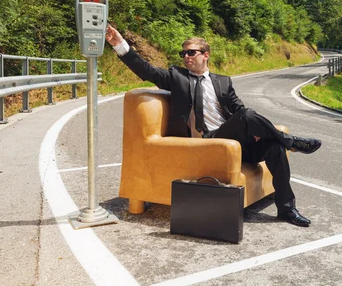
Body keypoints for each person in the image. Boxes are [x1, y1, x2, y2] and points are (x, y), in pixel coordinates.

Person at [105, 25, 321, 227]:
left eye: (191, 52)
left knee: (273, 147)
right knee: (258, 124)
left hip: (231, 141)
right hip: (206, 142)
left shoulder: (223, 81)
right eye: (184, 53)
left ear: (205, 55)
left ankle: (286, 209)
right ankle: (291, 142)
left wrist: (254, 131)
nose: (186, 57)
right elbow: (146, 70)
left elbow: (239, 111)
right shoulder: (176, 77)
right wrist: (120, 44)